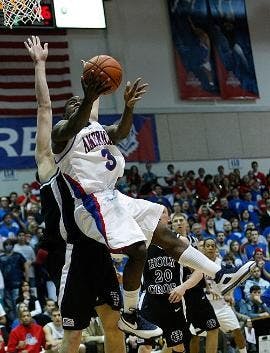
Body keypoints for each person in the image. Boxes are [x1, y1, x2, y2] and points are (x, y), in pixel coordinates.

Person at [50, 36, 255, 340]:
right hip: (91, 204)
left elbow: (119, 131)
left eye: (82, 103)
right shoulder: (62, 134)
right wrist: (87, 96)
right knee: (138, 249)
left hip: (115, 198)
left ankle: (219, 275)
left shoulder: (97, 129)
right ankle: (131, 314)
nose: (79, 105)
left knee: (166, 236)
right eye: (73, 105)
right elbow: (74, 122)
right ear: (68, 112)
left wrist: (129, 107)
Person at [24, 35, 126, 353]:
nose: (78, 111)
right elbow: (44, 108)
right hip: (68, 252)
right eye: (71, 110)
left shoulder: (85, 147)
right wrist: (40, 65)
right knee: (74, 334)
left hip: (96, 244)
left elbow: (91, 115)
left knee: (114, 324)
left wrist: (93, 81)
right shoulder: (49, 158)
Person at [138, 207, 190, 353]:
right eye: (155, 211)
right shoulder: (142, 241)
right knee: (144, 347)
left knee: (178, 347)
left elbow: (199, 271)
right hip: (150, 301)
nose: (159, 214)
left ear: (169, 218)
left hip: (173, 301)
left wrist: (183, 286)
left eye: (163, 212)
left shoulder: (181, 241)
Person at [171, 214, 219, 353]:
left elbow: (202, 266)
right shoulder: (170, 241)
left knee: (213, 327)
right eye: (175, 221)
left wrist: (208, 287)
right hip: (181, 292)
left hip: (197, 290)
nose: (179, 223)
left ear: (186, 223)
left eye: (181, 220)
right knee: (181, 337)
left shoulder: (195, 241)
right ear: (172, 225)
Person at [203, 238, 249, 353]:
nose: (210, 248)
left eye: (212, 246)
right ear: (203, 248)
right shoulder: (200, 263)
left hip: (221, 305)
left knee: (237, 330)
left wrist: (230, 294)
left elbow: (231, 282)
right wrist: (207, 290)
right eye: (207, 246)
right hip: (206, 305)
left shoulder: (222, 264)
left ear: (216, 248)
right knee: (195, 336)